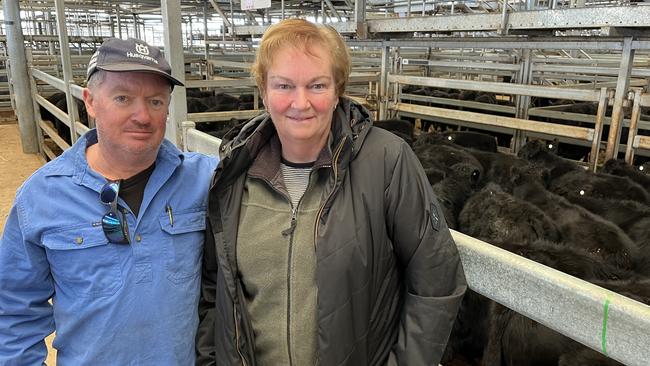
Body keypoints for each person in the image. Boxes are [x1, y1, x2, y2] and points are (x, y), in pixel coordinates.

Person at [196, 19, 466, 366]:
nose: (300, 102)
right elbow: (215, 287)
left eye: (317, 85)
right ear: (263, 89)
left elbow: (436, 281)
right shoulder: (234, 173)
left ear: (338, 89)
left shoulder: (386, 161)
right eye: (284, 85)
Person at [0, 38, 217, 365]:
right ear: (90, 101)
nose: (142, 116)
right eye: (123, 98)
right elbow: (13, 310)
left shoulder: (206, 179)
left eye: (156, 102)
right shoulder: (42, 196)